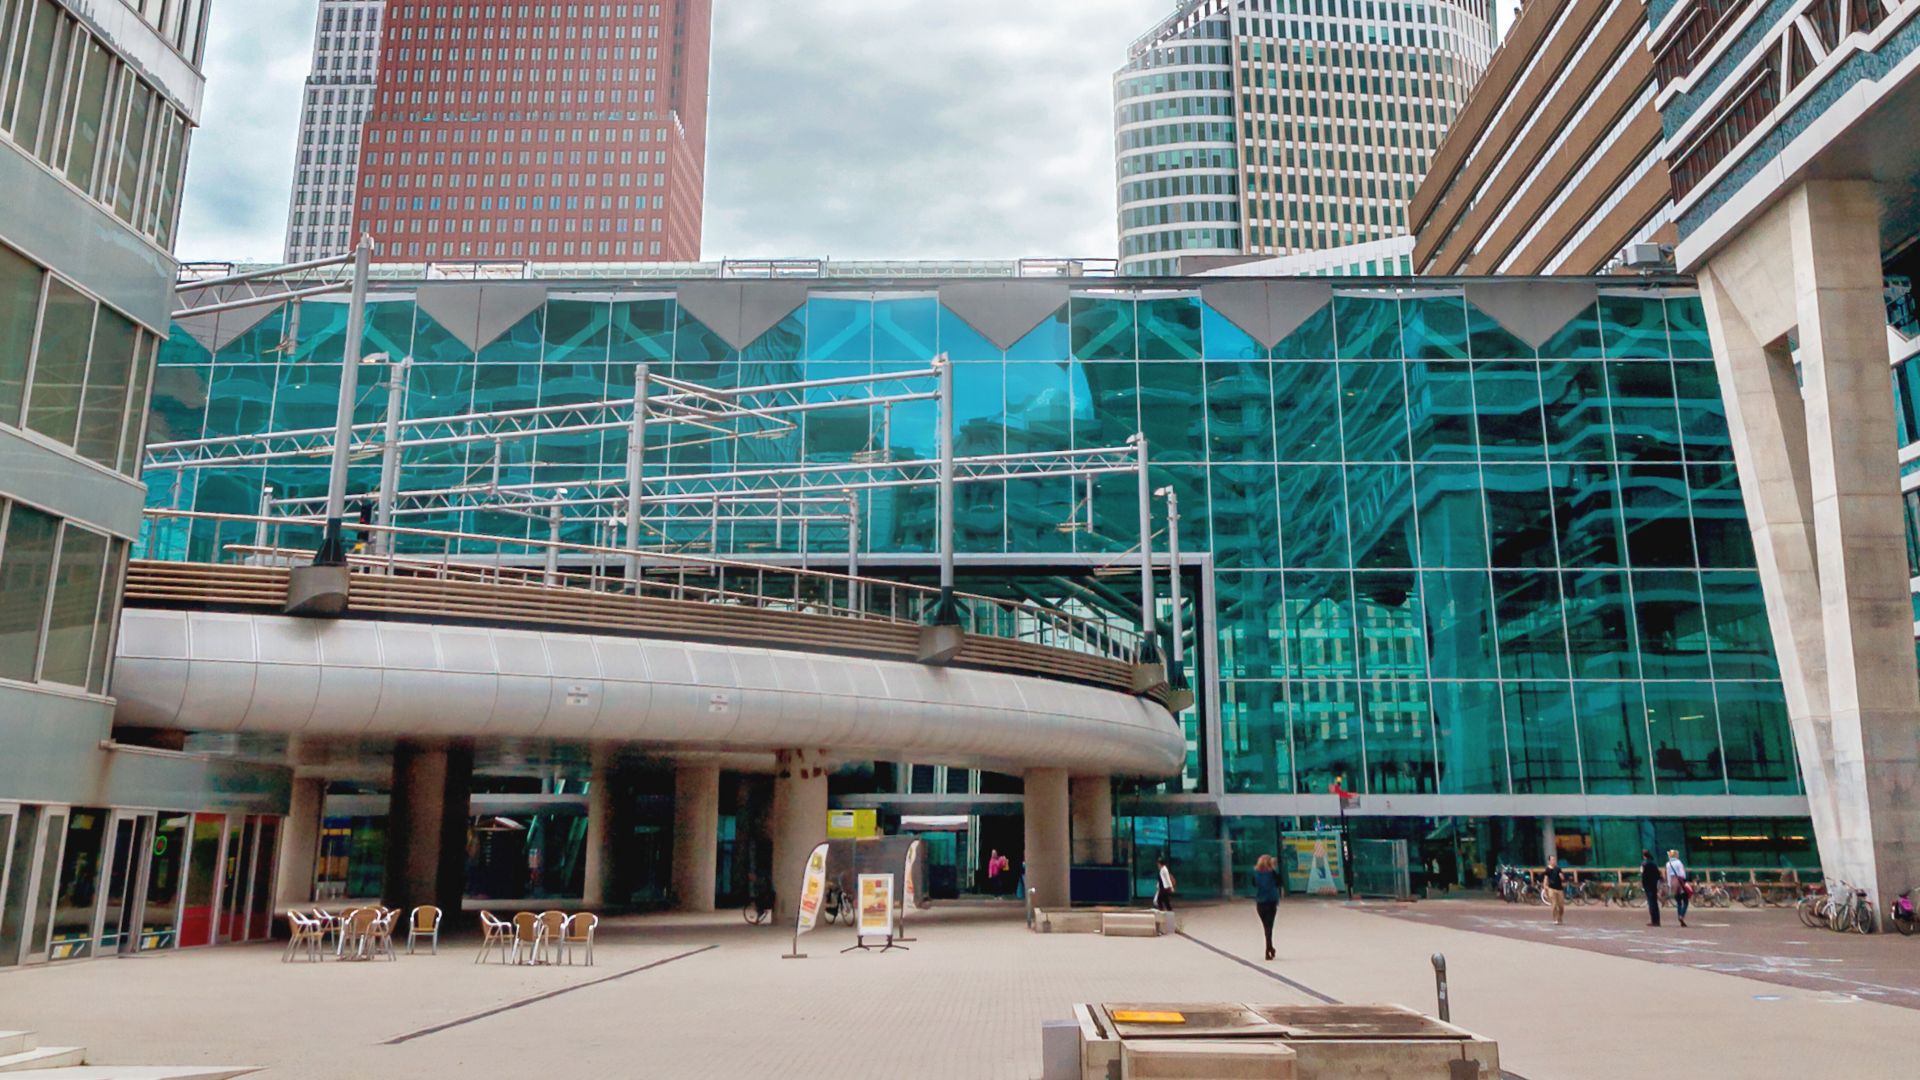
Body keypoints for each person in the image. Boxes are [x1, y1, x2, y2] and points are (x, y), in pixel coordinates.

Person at [1253, 854, 1281, 960]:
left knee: (1266, 926)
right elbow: (1279, 882)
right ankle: (1268, 948)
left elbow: (1254, 884)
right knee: (1269, 926)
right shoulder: (1272, 873)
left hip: (1260, 902)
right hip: (1271, 901)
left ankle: (1269, 948)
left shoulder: (1256, 873)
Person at [1666, 849, 1691, 927]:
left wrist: (1670, 885)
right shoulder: (1679, 863)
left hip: (1673, 883)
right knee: (1685, 901)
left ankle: (1679, 915)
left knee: (1678, 902)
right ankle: (1682, 916)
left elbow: (1668, 875)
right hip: (1680, 883)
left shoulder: (1668, 863)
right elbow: (1682, 874)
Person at [1639, 850, 1663, 927]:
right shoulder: (1653, 863)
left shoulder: (1643, 864)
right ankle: (1657, 920)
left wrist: (1642, 883)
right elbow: (1658, 874)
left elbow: (1642, 875)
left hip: (1647, 884)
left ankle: (1653, 920)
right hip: (1654, 884)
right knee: (1655, 902)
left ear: (1644, 856)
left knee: (1651, 902)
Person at [1542, 856, 1566, 925]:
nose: (1553, 861)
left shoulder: (1558, 869)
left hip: (1559, 889)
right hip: (1551, 888)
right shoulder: (1547, 869)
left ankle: (1560, 917)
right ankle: (1555, 918)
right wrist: (1545, 887)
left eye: (1554, 860)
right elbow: (1545, 879)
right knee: (1554, 904)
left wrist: (1562, 877)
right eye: (1552, 860)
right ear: (1549, 861)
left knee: (1561, 906)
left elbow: (1562, 877)